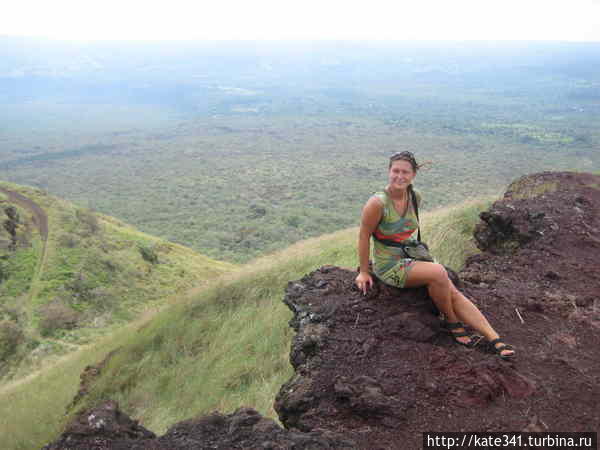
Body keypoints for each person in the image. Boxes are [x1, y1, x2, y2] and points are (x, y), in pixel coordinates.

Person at [355, 151, 515, 360]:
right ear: (388, 171)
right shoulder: (377, 204)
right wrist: (364, 272)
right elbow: (363, 236)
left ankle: (494, 338)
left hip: (410, 255)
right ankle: (451, 321)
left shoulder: (414, 196)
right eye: (395, 171)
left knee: (451, 289)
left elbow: (406, 230)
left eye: (405, 172)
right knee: (439, 272)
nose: (399, 176)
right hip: (389, 265)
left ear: (413, 175)